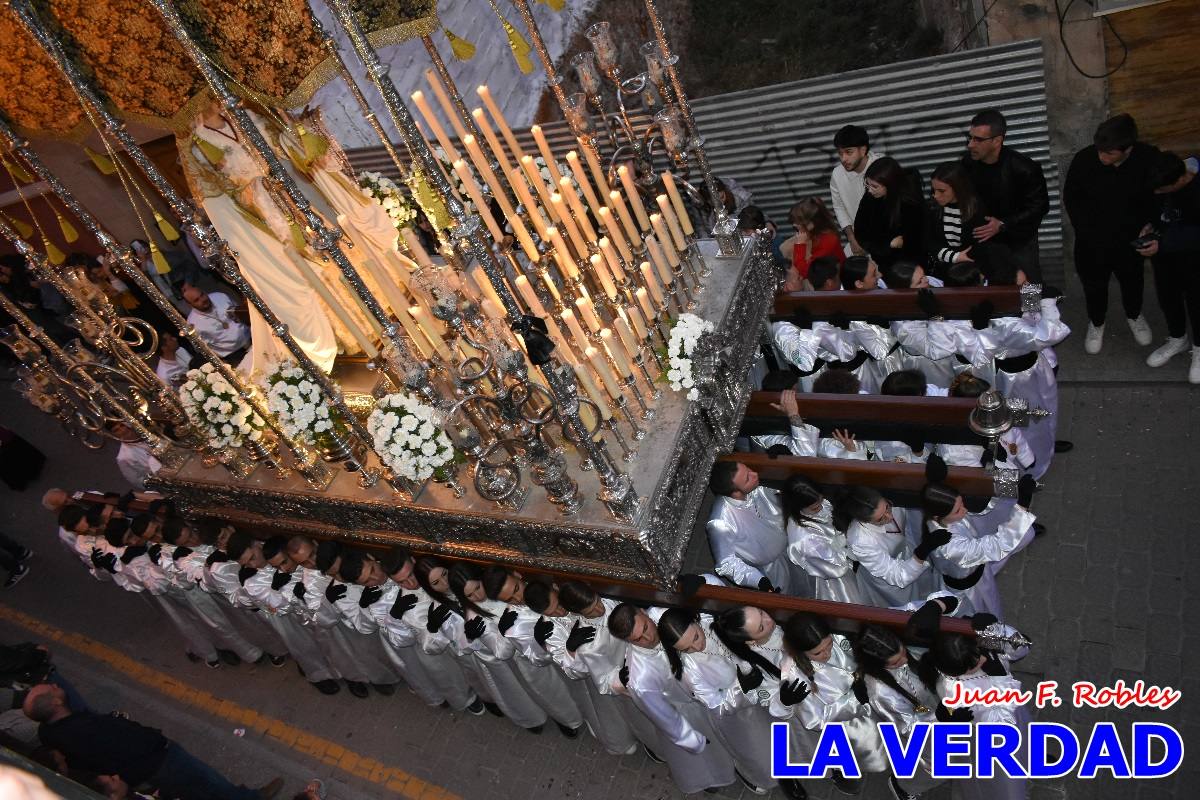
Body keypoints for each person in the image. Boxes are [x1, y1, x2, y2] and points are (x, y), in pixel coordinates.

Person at [23, 683, 283, 800]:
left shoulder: (52, 734)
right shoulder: (83, 730)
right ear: (55, 703)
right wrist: (155, 742)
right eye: (51, 689)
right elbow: (125, 743)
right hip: (158, 762)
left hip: (149, 768)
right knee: (207, 780)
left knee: (200, 789)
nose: (55, 685)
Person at [608, 603, 736, 794]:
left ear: (644, 612)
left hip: (710, 685)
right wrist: (693, 740)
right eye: (638, 639)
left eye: (645, 628)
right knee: (709, 753)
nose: (648, 638)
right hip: (688, 712)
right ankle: (712, 775)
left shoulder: (662, 615)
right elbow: (665, 718)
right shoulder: (640, 678)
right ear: (627, 641)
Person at [1063, 114, 1160, 354]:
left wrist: (1152, 224)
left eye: (1109, 153)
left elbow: (1158, 196)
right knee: (1094, 286)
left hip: (1131, 240)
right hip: (1092, 241)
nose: (1101, 157)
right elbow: (1072, 199)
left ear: (1128, 149)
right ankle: (1097, 322)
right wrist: (1086, 231)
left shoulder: (1148, 158)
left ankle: (1134, 315)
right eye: (1099, 150)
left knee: (1133, 281)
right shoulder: (1084, 159)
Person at [657, 605, 777, 795]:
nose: (697, 647)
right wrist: (741, 688)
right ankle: (754, 775)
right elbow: (717, 706)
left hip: (762, 694)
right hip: (738, 717)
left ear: (696, 621)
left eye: (696, 637)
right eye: (686, 649)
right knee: (757, 752)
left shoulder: (713, 623)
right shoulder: (689, 671)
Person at [770, 613, 888, 795]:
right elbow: (815, 721)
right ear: (800, 651)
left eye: (829, 644)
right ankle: (840, 770)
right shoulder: (794, 675)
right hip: (845, 724)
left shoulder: (839, 635)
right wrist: (854, 700)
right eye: (818, 653)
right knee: (860, 751)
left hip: (868, 705)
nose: (828, 653)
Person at [919, 472, 1038, 618]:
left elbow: (983, 490)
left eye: (962, 504)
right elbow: (996, 545)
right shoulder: (951, 547)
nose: (965, 510)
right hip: (970, 592)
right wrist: (1022, 507)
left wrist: (1014, 486)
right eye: (958, 510)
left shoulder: (940, 518)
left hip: (975, 571)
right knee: (987, 613)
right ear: (937, 516)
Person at [933, 626, 1032, 800]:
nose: (983, 660)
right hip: (996, 736)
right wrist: (1001, 679)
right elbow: (1001, 726)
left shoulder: (977, 651)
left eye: (978, 654)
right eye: (974, 665)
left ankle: (1031, 756)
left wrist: (997, 629)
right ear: (957, 671)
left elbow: (1022, 647)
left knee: (1027, 738)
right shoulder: (955, 691)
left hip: (1014, 713)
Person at [857, 626, 950, 798]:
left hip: (937, 714)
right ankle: (904, 788)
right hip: (919, 731)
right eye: (895, 662)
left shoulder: (913, 651)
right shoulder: (879, 691)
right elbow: (907, 727)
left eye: (903, 652)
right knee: (937, 768)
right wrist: (939, 717)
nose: (905, 660)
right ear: (878, 665)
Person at [961, 109, 1050, 282]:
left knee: (1029, 284)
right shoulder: (968, 163)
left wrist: (1003, 224)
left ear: (997, 141)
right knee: (990, 282)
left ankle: (1031, 302)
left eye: (978, 139)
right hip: (985, 238)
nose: (970, 145)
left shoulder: (1023, 168)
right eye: (970, 138)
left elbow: (1040, 206)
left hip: (1020, 239)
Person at [1140, 151, 1200, 381]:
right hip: (1165, 257)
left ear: (1181, 179)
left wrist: (1163, 243)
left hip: (1195, 259)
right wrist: (1150, 226)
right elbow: (1156, 210)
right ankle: (1178, 339)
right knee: (1168, 297)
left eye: (1162, 190)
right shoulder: (1160, 178)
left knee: (1197, 302)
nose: (1156, 193)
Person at [835, 486, 946, 608]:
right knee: (904, 605)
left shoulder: (894, 499)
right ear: (865, 521)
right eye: (880, 519)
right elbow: (898, 576)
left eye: (887, 507)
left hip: (906, 557)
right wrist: (923, 551)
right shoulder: (860, 540)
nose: (890, 517)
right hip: (886, 576)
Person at [706, 460, 794, 593]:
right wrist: (758, 580)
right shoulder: (720, 523)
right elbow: (726, 563)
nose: (755, 474)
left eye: (748, 469)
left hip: (790, 546)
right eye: (747, 478)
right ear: (736, 493)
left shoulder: (755, 489)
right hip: (772, 569)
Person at [782, 476, 864, 603]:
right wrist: (848, 543)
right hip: (836, 581)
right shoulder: (805, 540)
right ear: (797, 506)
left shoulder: (813, 506)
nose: (821, 507)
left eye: (821, 500)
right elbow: (836, 566)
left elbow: (829, 512)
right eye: (815, 507)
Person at [853, 157, 926, 269]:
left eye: (875, 186)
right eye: (867, 184)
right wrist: (888, 245)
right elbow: (861, 232)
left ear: (890, 184)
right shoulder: (870, 198)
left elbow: (918, 239)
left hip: (910, 266)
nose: (870, 190)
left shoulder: (910, 203)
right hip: (882, 263)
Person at [830, 125, 885, 257]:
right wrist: (851, 238)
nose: (843, 159)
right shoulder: (837, 174)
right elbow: (839, 207)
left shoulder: (883, 166)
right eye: (840, 153)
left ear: (863, 150)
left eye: (849, 152)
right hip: (858, 240)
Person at [926, 160, 987, 278]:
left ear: (958, 188)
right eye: (934, 190)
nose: (936, 195)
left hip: (971, 270)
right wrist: (954, 257)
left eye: (941, 191)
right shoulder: (932, 207)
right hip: (942, 269)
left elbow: (980, 244)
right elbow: (928, 241)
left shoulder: (976, 208)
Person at [782, 198, 844, 285]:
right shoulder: (814, 235)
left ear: (812, 223)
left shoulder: (828, 240)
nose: (794, 225)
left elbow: (803, 272)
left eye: (798, 222)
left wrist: (800, 244)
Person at [182, 285, 250, 365]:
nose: (203, 299)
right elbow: (203, 350)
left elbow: (241, 313)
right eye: (196, 300)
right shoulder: (192, 324)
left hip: (251, 337)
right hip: (234, 355)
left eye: (202, 295)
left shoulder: (220, 297)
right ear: (190, 305)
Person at [109, 422, 161, 489]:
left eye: (122, 425)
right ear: (114, 435)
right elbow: (137, 481)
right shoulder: (123, 457)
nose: (123, 430)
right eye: (116, 430)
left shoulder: (151, 435)